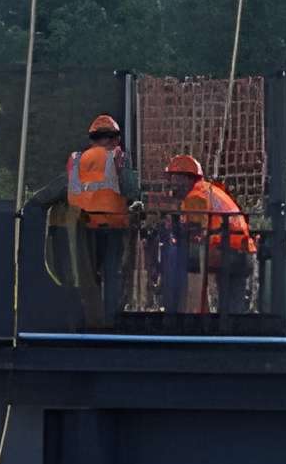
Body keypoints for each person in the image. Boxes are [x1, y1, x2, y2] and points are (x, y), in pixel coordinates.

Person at [23, 112, 139, 327]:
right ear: (116, 138)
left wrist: (29, 209)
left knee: (85, 278)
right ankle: (110, 324)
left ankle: (86, 322)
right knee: (112, 275)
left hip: (82, 230)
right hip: (114, 227)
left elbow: (56, 189)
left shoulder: (78, 160)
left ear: (91, 138)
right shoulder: (119, 158)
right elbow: (132, 191)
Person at [160, 153, 258, 317]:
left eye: (175, 179)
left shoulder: (195, 197)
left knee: (177, 256)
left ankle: (184, 313)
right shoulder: (209, 190)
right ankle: (231, 331)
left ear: (187, 179)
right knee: (232, 307)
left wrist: (174, 229)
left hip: (225, 251)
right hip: (242, 252)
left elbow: (194, 232)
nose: (172, 184)